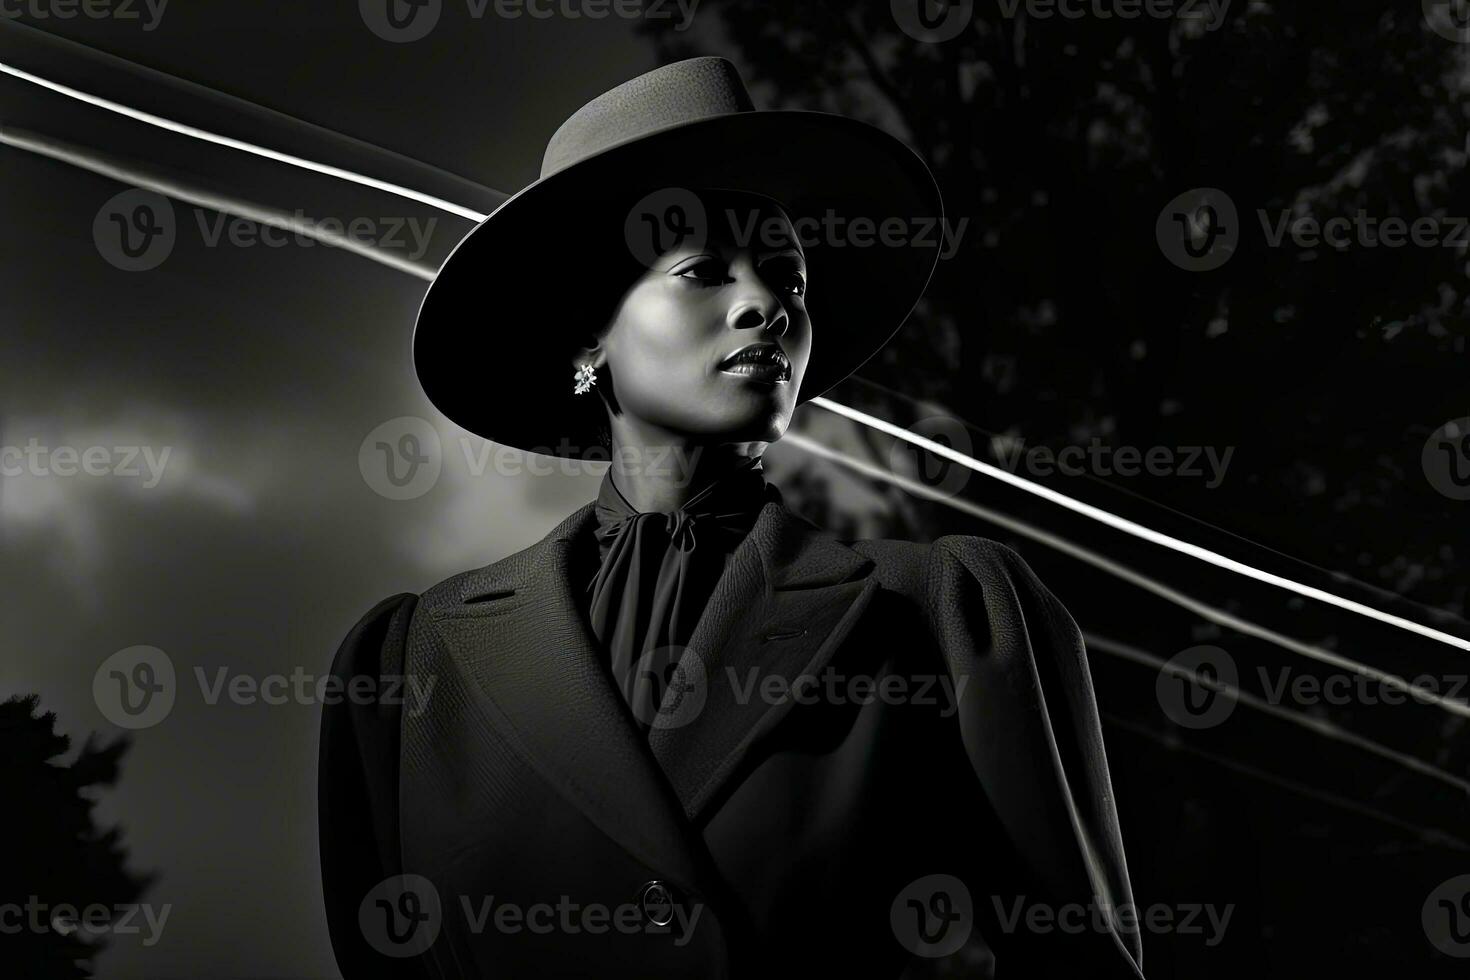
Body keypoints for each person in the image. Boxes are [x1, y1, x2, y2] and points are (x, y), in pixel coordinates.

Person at [319, 56, 1144, 979]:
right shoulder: (414, 667)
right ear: (591, 340)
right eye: (704, 270)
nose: (766, 305)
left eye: (788, 279)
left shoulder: (948, 615)